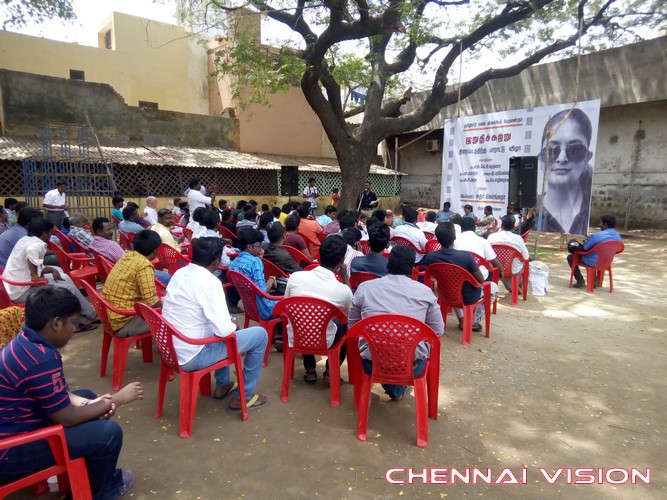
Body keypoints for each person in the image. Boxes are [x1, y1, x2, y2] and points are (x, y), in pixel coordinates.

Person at [0, 286, 142, 498]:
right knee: (109, 434)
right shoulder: (40, 359)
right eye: (72, 323)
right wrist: (117, 399)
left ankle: (88, 482)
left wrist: (97, 404)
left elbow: (61, 396)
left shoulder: (26, 341)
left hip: (19, 427)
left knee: (89, 396)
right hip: (10, 453)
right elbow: (66, 417)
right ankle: (100, 492)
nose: (74, 329)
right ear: (56, 324)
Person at [163, 238, 269, 413]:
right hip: (192, 354)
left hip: (172, 348)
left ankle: (223, 385)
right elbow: (224, 330)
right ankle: (243, 398)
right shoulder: (210, 283)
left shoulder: (180, 273)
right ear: (217, 261)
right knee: (259, 335)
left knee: (223, 328)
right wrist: (233, 325)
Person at [349, 245, 444, 401]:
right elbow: (437, 331)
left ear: (388, 264)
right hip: (411, 365)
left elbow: (352, 327)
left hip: (371, 361)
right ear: (412, 267)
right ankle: (396, 387)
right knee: (409, 351)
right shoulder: (425, 292)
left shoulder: (365, 288)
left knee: (384, 350)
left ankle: (395, 388)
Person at [3, 218, 99, 331]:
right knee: (68, 289)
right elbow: (31, 252)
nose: (50, 236)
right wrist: (35, 276)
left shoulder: (25, 239)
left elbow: (31, 264)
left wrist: (50, 270)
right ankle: (89, 316)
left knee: (62, 275)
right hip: (22, 290)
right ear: (44, 233)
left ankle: (81, 314)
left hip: (15, 282)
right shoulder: (36, 244)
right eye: (50, 233)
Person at [284, 234, 352, 383]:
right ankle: (330, 370)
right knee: (345, 326)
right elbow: (350, 315)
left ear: (319, 255)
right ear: (341, 261)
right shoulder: (343, 290)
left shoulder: (295, 277)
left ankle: (310, 369)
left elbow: (286, 305)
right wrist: (345, 277)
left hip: (298, 335)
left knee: (303, 318)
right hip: (325, 340)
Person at [538, 108, 595, 235]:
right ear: (540, 158)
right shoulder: (530, 211)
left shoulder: (588, 209)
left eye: (574, 150)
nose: (562, 159)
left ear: (587, 158)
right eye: (552, 150)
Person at [423, 222, 488, 332]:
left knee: (454, 285)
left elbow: (431, 275)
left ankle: (462, 319)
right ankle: (473, 321)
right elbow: (481, 280)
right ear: (454, 237)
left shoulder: (430, 257)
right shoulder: (466, 256)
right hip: (468, 298)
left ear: (437, 239)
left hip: (445, 294)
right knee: (492, 287)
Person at [103, 230, 162, 337]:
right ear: (155, 250)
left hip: (111, 316)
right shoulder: (144, 265)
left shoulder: (127, 256)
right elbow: (152, 302)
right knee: (172, 320)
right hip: (124, 322)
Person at [229, 228, 280, 323]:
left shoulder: (234, 263)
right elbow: (262, 292)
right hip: (266, 310)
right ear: (249, 247)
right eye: (259, 246)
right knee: (291, 301)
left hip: (250, 307)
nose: (261, 248)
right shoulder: (255, 262)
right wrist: (272, 278)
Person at [567, 214, 622, 288]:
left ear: (605, 225)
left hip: (592, 261)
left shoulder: (598, 235)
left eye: (601, 223)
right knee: (593, 254)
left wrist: (587, 240)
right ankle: (594, 280)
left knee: (571, 257)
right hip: (607, 261)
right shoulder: (618, 236)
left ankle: (580, 281)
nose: (599, 225)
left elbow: (586, 248)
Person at [488, 215, 530, 293]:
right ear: (514, 226)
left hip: (496, 268)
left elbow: (487, 255)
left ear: (501, 225)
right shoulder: (518, 239)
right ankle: (516, 287)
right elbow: (526, 257)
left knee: (503, 266)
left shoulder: (491, 237)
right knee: (522, 266)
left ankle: (513, 287)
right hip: (513, 270)